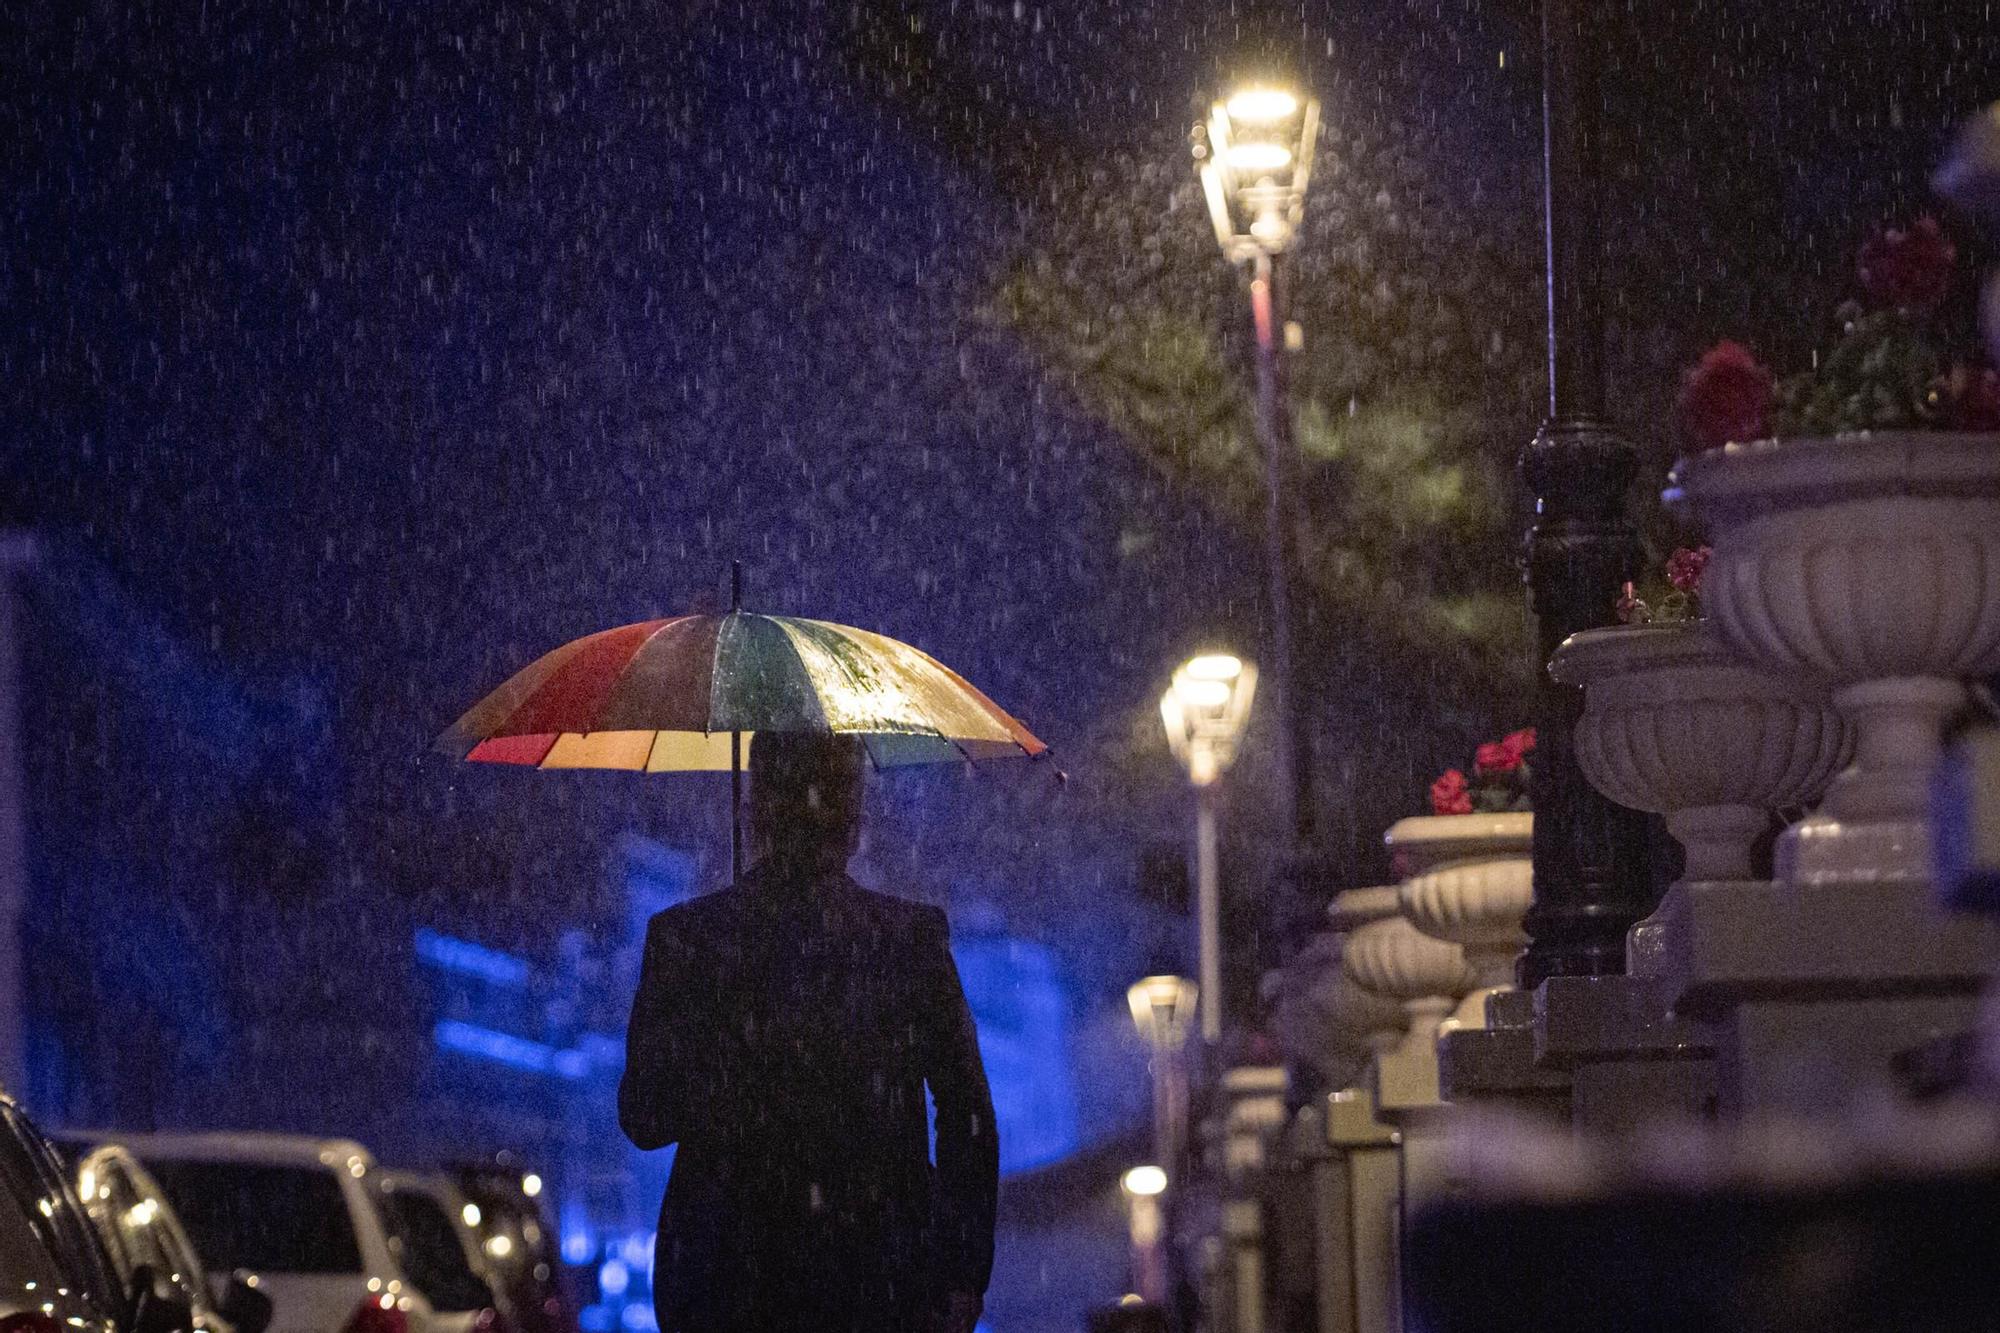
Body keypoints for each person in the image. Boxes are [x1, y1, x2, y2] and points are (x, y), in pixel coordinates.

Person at [619, 732, 998, 1333]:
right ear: (852, 819)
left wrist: (730, 1059)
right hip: (882, 1279)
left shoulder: (689, 940)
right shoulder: (908, 940)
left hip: (725, 1282)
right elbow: (966, 1113)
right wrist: (959, 1272)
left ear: (757, 808)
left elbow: (644, 1116)